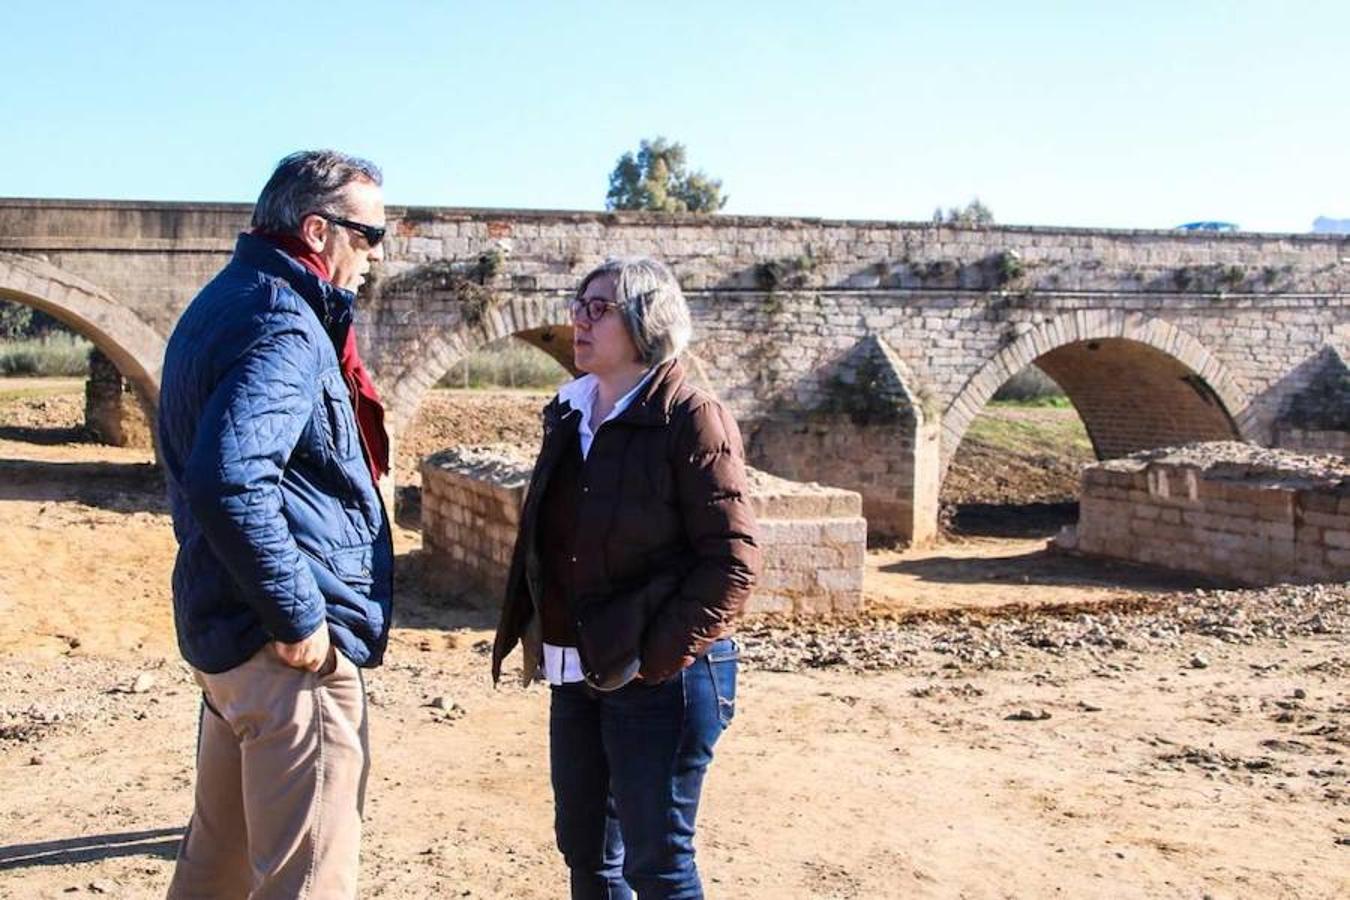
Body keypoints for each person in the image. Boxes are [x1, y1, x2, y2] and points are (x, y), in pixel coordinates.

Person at [158, 149, 393, 898]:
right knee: (306, 882)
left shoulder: (225, 299)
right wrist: (300, 619)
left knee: (215, 870)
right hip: (281, 653)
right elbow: (228, 478)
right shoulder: (286, 326)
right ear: (318, 231)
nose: (374, 258)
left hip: (223, 627)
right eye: (369, 237)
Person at [492, 257, 761, 899]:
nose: (578, 320)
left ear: (646, 322)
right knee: (587, 855)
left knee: (658, 866)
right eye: (578, 304)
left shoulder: (690, 416)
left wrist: (650, 659)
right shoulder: (569, 413)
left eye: (598, 308)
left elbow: (733, 562)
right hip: (578, 669)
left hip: (663, 676)